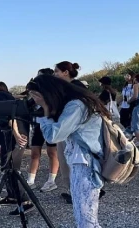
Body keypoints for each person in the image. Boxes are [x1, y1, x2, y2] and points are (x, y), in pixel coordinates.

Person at [28, 74, 109, 227]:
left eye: (37, 97)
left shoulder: (76, 106)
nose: (36, 102)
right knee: (84, 217)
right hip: (82, 162)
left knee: (86, 220)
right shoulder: (77, 103)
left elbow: (53, 136)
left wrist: (44, 108)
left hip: (86, 164)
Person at [0, 81, 34, 215]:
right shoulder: (3, 95)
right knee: (7, 166)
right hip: (13, 135)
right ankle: (13, 196)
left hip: (13, 135)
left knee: (11, 168)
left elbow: (10, 116)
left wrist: (16, 134)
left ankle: (25, 202)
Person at [53, 61, 86, 203]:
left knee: (70, 162)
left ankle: (77, 193)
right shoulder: (77, 87)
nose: (54, 74)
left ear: (65, 72)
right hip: (74, 131)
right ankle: (77, 191)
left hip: (72, 132)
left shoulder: (73, 89)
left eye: (56, 71)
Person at [26, 72, 59, 192]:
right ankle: (30, 180)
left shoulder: (53, 94)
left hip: (51, 124)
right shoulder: (34, 94)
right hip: (38, 124)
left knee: (52, 152)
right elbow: (28, 105)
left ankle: (51, 180)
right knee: (34, 153)